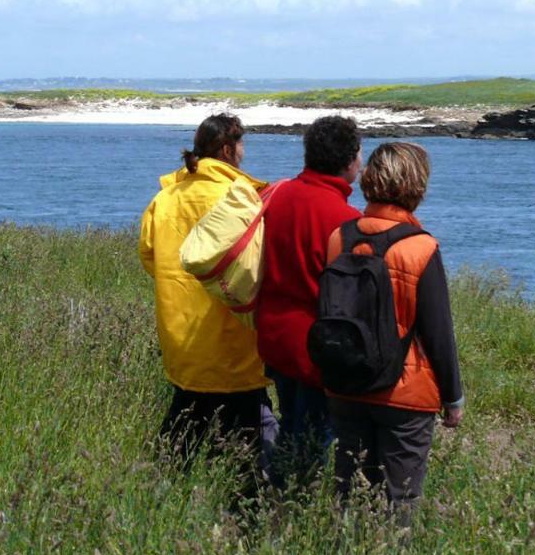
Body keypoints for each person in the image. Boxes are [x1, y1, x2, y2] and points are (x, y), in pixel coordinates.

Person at [325, 142, 463, 523]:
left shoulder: (340, 237)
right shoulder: (420, 247)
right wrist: (453, 397)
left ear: (370, 179)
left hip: (347, 382)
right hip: (404, 394)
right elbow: (438, 332)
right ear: (415, 185)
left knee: (350, 491)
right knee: (399, 500)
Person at [138, 114, 271, 473]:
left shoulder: (164, 200)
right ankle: (248, 523)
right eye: (242, 145)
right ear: (228, 149)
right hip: (234, 344)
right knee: (249, 462)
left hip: (182, 341)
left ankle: (158, 506)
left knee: (178, 446)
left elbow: (150, 258)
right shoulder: (239, 197)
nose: (244, 153)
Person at [256, 115, 363, 487]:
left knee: (292, 423)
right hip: (317, 348)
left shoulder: (277, 195)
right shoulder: (347, 219)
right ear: (350, 161)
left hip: (275, 336)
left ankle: (278, 492)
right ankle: (288, 508)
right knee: (312, 441)